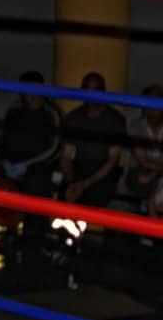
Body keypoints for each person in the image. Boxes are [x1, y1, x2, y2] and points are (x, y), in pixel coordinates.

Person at [59, 71, 126, 207]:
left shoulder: (115, 120)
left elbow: (112, 160)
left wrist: (85, 183)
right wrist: (72, 181)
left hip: (102, 171)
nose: (91, 95)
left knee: (97, 196)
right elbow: (66, 155)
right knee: (63, 195)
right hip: (78, 167)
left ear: (103, 91)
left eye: (95, 90)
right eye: (87, 90)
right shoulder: (74, 118)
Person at [0, 70, 61, 196]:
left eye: (34, 89)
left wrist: (27, 165)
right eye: (26, 90)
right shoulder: (14, 109)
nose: (30, 95)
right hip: (11, 164)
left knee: (35, 187)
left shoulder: (51, 113)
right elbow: (3, 138)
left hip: (39, 167)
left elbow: (56, 146)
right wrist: (4, 160)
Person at [124, 84, 163, 216]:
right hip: (140, 172)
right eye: (149, 104)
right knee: (142, 180)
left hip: (158, 173)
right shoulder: (136, 126)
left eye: (156, 104)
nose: (152, 109)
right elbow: (143, 162)